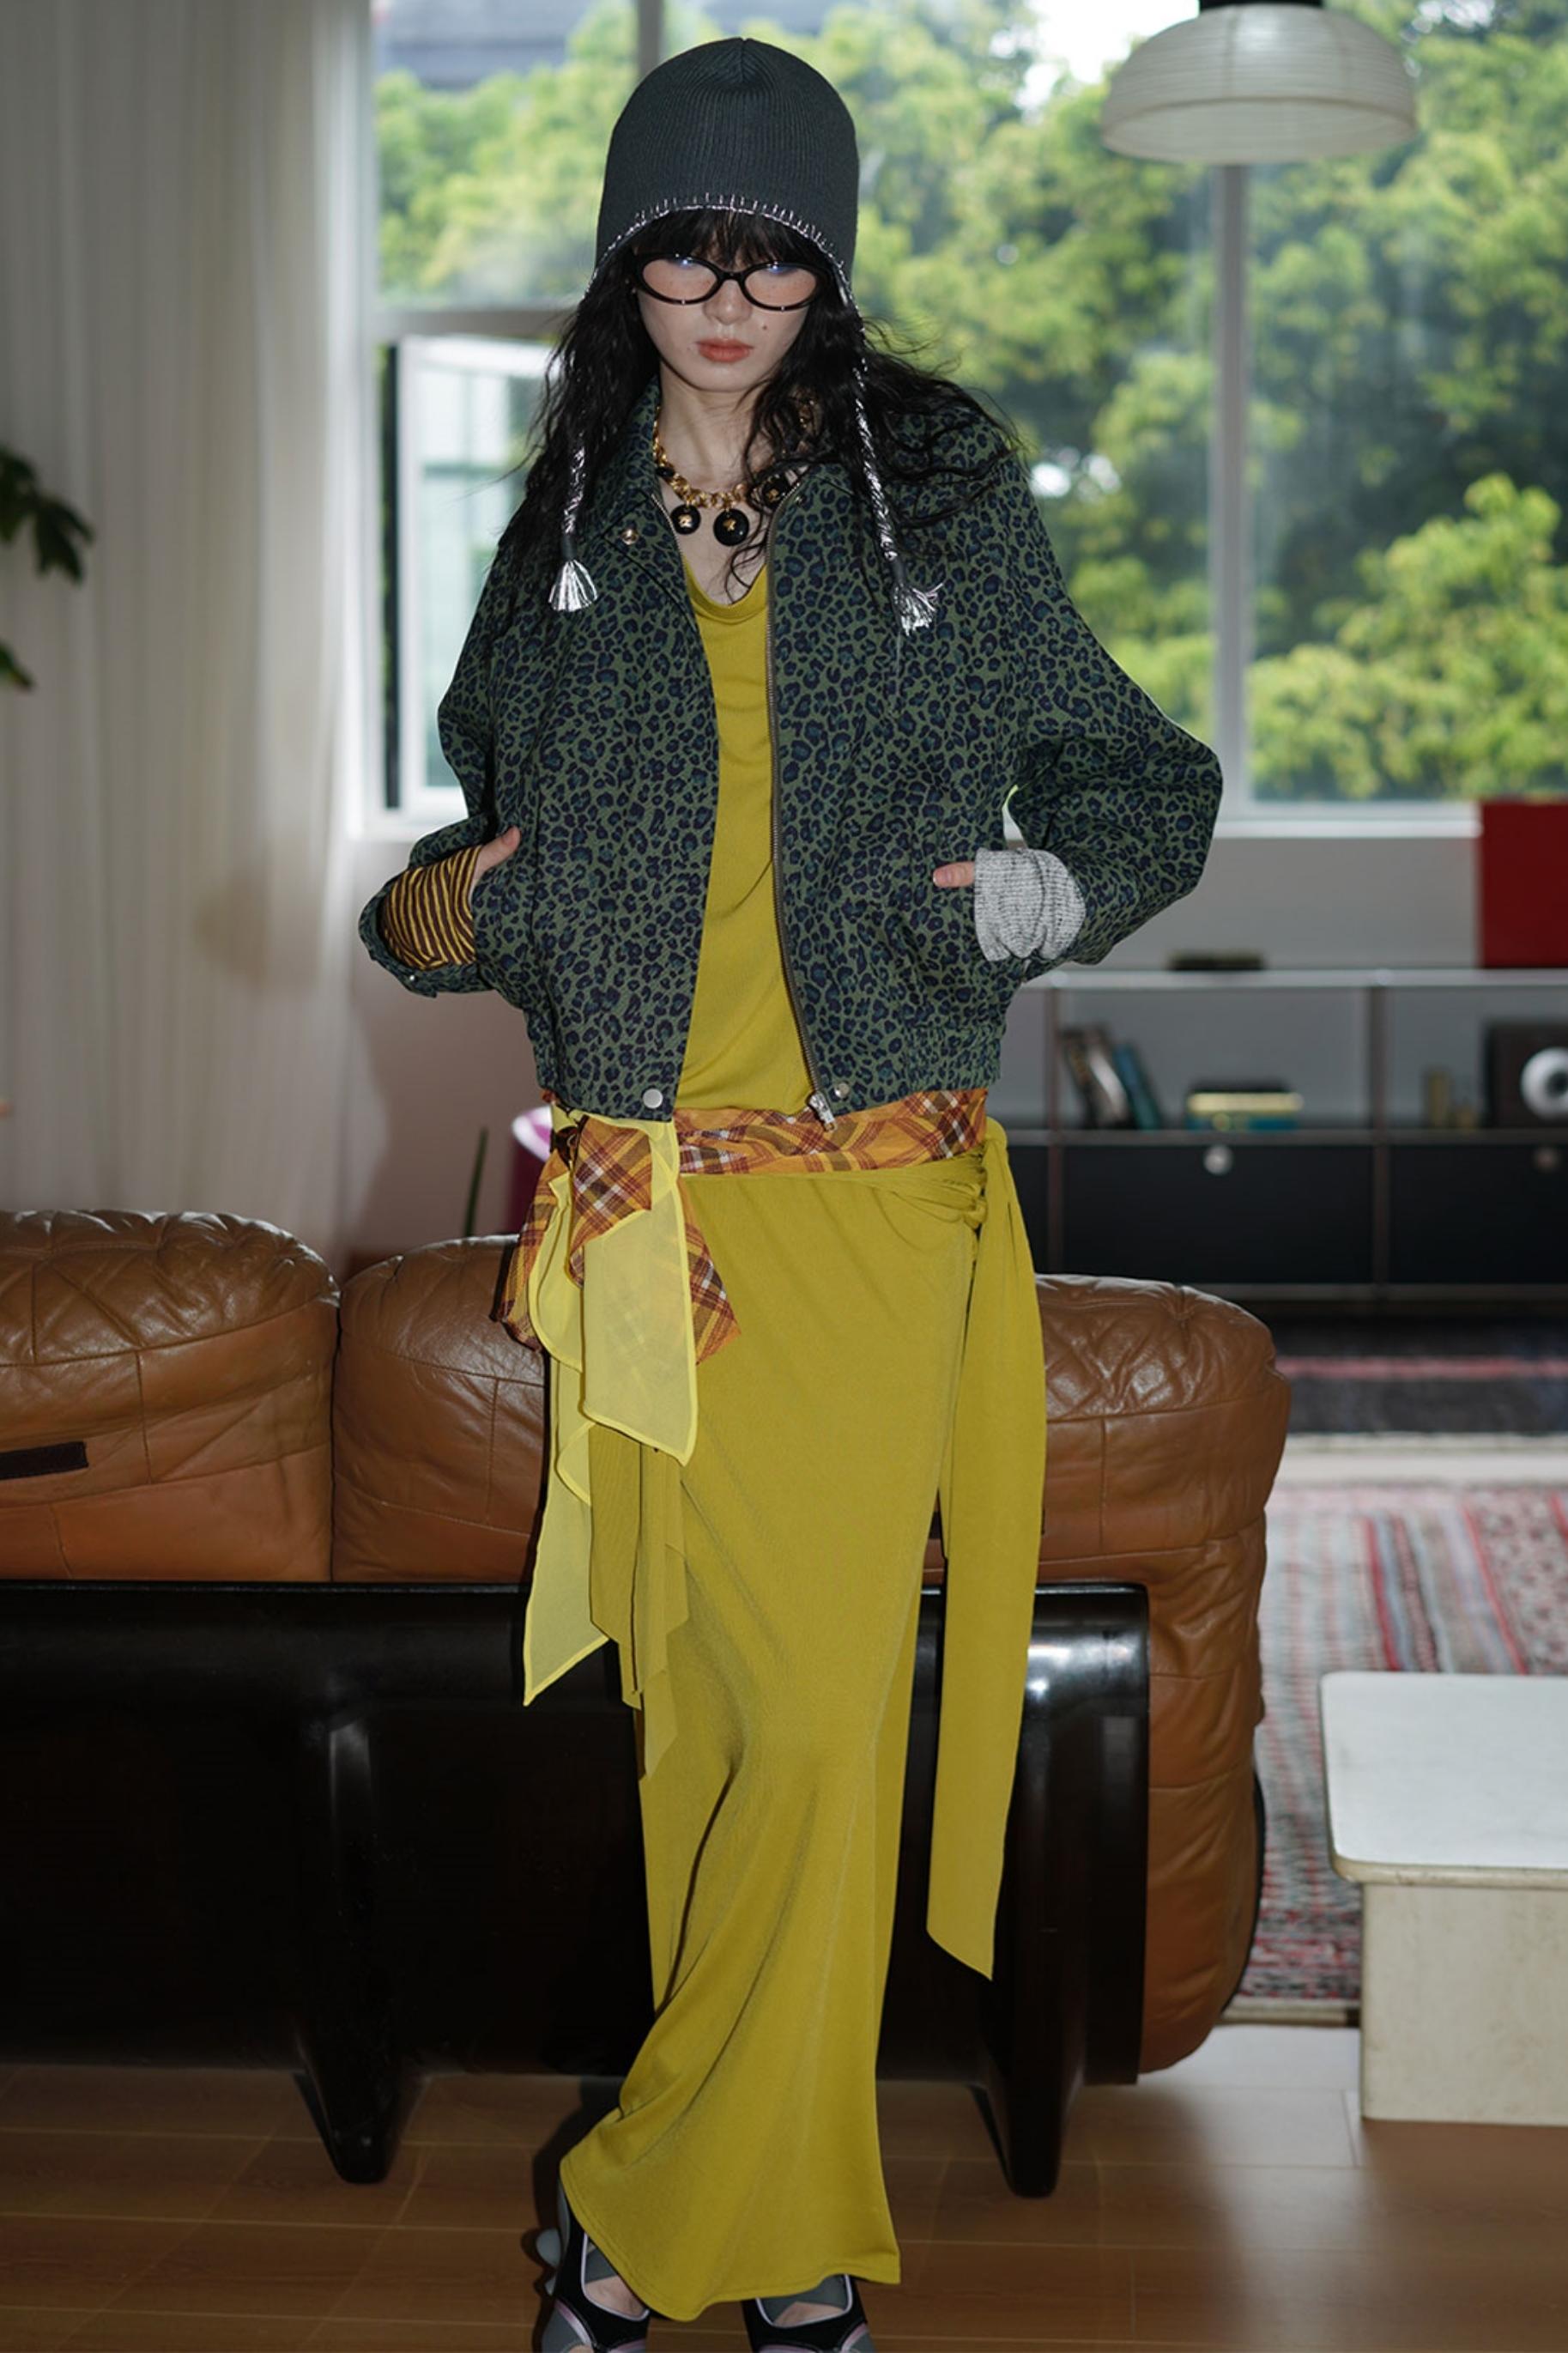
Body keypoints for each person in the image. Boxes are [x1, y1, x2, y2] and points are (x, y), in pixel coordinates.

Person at [359, 35, 1223, 2348]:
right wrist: (454, 911)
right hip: (644, 1214)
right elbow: (453, 857)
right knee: (724, 1733)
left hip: (878, 1203)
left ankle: (634, 2220)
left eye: (774, 257)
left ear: (827, 271)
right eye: (686, 252)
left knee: (824, 1727)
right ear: (622, 265)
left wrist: (1043, 895)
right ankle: (799, 2237)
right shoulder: (560, 531)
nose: (729, 296)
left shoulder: (935, 494)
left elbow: (1141, 781)